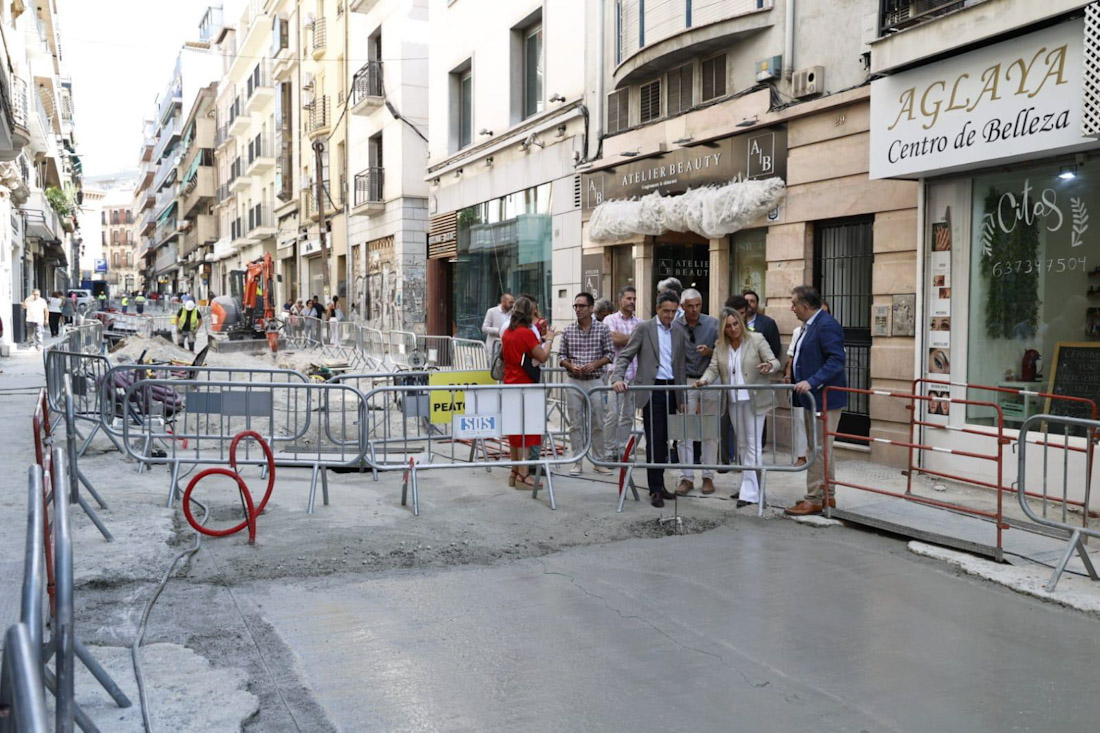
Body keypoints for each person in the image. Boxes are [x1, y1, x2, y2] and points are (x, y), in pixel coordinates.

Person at [696, 308, 780, 507]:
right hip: (733, 400)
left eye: (736, 324)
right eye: (729, 326)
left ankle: (749, 493)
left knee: (752, 444)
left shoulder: (756, 339)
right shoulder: (720, 346)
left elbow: (774, 361)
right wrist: (704, 380)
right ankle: (750, 486)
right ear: (723, 329)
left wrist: (769, 366)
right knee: (742, 444)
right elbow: (713, 368)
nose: (733, 329)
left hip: (754, 399)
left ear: (741, 323)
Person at [611, 290, 687, 508]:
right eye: (666, 311)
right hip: (652, 389)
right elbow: (626, 354)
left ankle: (661, 484)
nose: (669, 316)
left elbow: (680, 366)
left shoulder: (678, 331)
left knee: (666, 440)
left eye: (673, 312)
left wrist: (681, 396)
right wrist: (617, 377)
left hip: (671, 388)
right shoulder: (644, 328)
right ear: (657, 309)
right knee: (654, 439)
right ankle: (655, 488)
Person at [785, 285, 847, 516]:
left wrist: (811, 381)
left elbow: (836, 360)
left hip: (824, 398)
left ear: (805, 306)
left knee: (818, 449)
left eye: (794, 304)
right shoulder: (809, 326)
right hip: (814, 398)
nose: (791, 308)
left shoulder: (826, 325)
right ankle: (827, 496)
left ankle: (814, 498)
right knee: (821, 449)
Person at [501, 296, 557, 488]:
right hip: (525, 385)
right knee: (526, 430)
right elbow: (542, 356)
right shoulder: (526, 333)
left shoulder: (507, 332)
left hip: (510, 383)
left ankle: (515, 471)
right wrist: (549, 340)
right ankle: (524, 475)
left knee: (514, 431)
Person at [559, 292, 614, 476]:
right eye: (576, 306)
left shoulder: (602, 329)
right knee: (575, 423)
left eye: (582, 306)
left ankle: (598, 461)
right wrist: (570, 366)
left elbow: (610, 354)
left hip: (595, 381)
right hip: (574, 381)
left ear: (591, 308)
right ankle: (577, 461)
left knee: (598, 421)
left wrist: (595, 365)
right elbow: (561, 356)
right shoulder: (567, 330)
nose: (578, 309)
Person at [675, 288, 720, 495]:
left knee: (709, 430)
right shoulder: (674, 326)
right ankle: (686, 477)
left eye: (698, 305)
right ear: (682, 307)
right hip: (685, 381)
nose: (694, 310)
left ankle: (708, 476)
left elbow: (724, 351)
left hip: (709, 380)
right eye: (690, 306)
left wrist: (710, 351)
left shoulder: (712, 323)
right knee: (684, 432)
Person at [784, 300, 830, 466]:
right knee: (800, 420)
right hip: (800, 383)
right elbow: (791, 356)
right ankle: (801, 455)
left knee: (818, 424)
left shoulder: (830, 331)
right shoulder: (799, 331)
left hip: (819, 385)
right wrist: (789, 375)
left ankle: (817, 458)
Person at [603, 286, 640, 462]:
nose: (632, 301)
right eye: (628, 298)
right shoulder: (610, 319)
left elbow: (626, 340)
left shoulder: (640, 322)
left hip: (634, 373)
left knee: (628, 415)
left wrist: (624, 338)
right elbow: (612, 339)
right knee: (612, 414)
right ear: (620, 300)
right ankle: (609, 450)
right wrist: (634, 339)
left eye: (634, 298)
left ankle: (621, 449)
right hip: (616, 374)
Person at [742, 289, 781, 360]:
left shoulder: (768, 323)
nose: (749, 303)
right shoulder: (736, 322)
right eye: (746, 301)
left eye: (752, 301)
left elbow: (775, 349)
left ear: (757, 304)